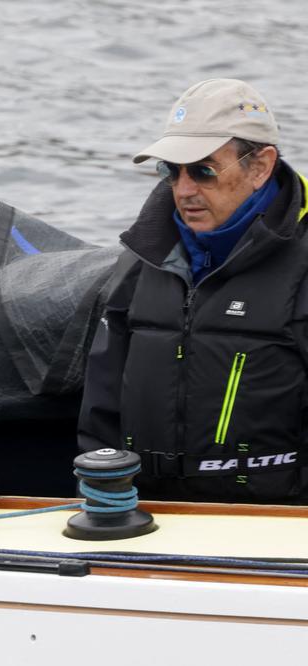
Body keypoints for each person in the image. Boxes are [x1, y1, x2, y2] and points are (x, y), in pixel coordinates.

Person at [78, 78, 308, 503]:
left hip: (276, 525)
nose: (184, 190)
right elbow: (102, 402)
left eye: (203, 170)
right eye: (172, 171)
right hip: (146, 515)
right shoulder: (142, 255)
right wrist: (104, 497)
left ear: (259, 167)